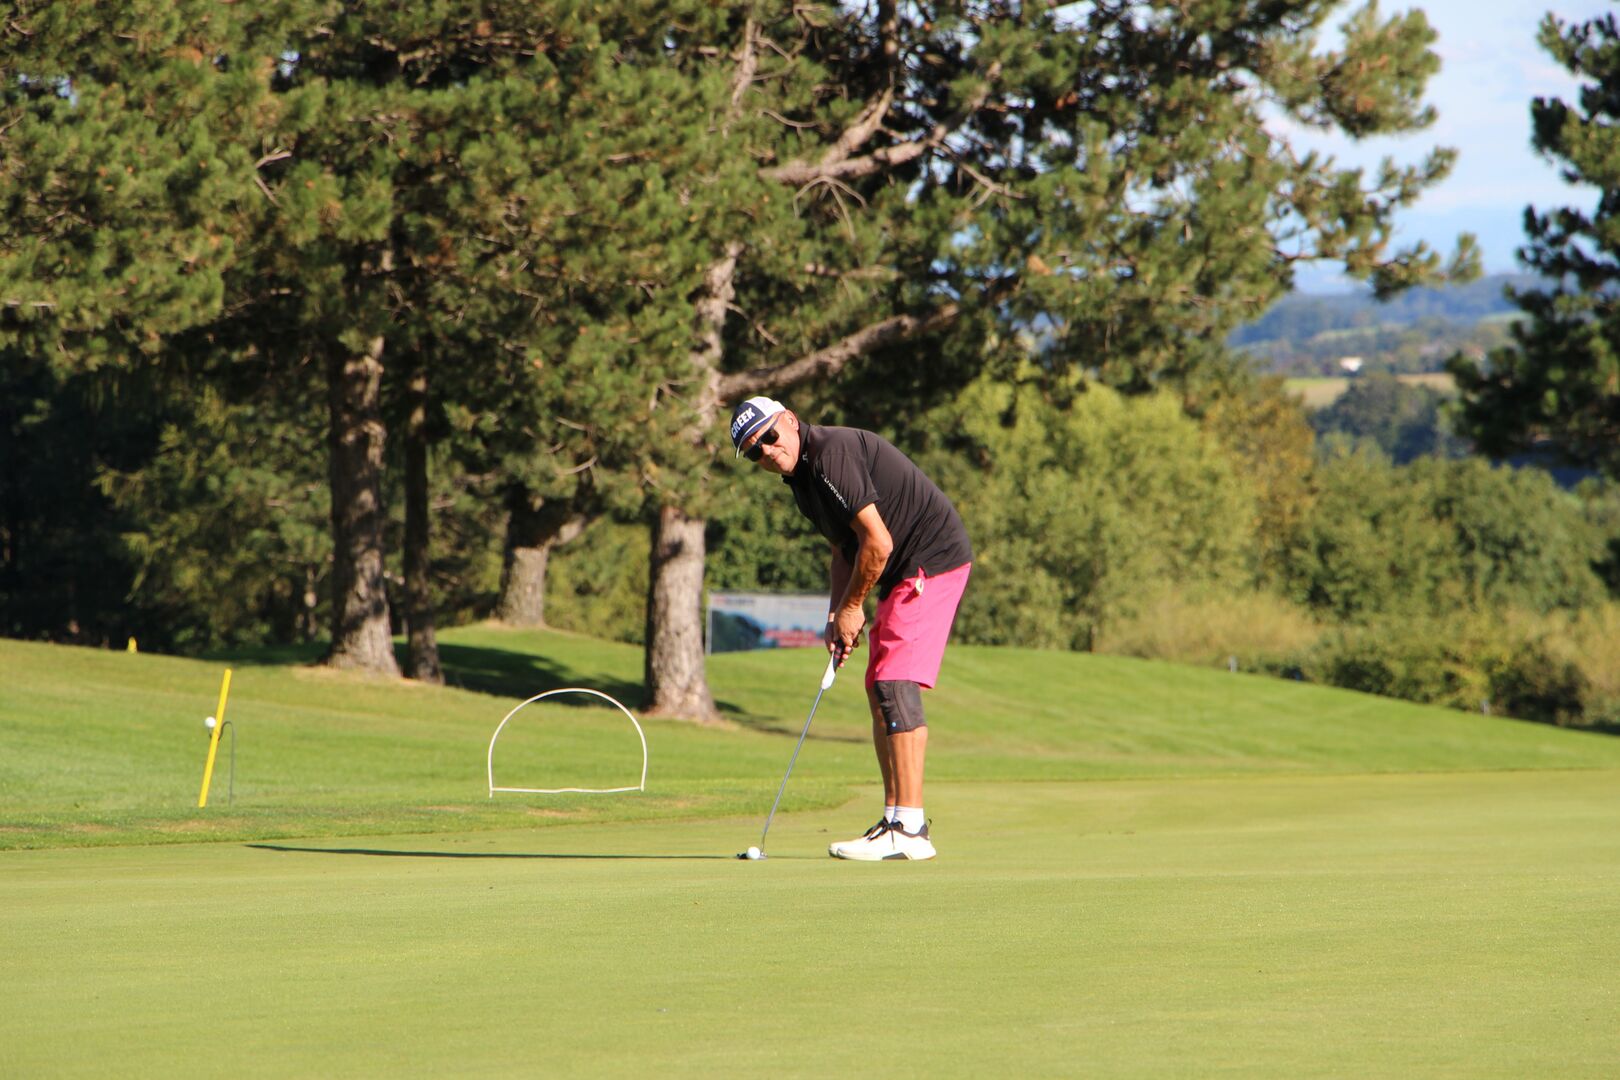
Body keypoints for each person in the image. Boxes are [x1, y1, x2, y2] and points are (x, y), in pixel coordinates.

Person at [729, 396, 972, 861]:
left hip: (931, 559)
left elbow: (877, 542)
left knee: (894, 682)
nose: (767, 451)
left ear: (790, 420)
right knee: (878, 685)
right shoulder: (802, 481)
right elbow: (844, 549)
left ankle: (910, 828)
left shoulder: (831, 455)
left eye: (770, 437)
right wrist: (835, 615)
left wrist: (854, 606)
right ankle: (895, 819)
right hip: (902, 569)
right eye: (755, 451)